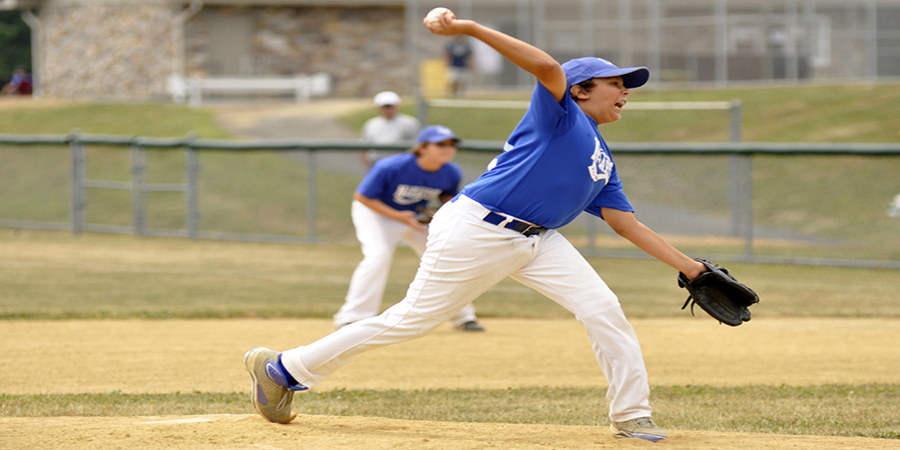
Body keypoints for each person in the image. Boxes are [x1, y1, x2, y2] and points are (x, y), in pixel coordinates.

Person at [244, 9, 708, 443]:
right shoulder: (561, 116)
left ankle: (630, 413)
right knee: (410, 320)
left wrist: (693, 270)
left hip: (540, 241)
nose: (626, 91)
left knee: (603, 308)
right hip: (477, 228)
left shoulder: (601, 158)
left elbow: (625, 223)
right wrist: (467, 28)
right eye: (616, 83)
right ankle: (283, 369)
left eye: (628, 85)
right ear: (581, 89)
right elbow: (547, 67)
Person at [335, 124, 485, 332]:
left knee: (445, 258)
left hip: (414, 218)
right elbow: (363, 197)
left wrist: (441, 215)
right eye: (440, 144)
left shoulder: (451, 171)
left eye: (451, 145)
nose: (447, 149)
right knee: (378, 256)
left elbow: (447, 199)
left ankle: (464, 317)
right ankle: (352, 317)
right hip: (376, 214)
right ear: (422, 147)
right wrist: (398, 216)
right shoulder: (391, 167)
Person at [360, 91, 421, 169]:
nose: (387, 110)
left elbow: (417, 145)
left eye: (390, 106)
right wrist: (366, 165)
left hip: (401, 164)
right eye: (384, 107)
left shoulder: (410, 123)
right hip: (377, 163)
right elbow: (363, 147)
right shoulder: (371, 124)